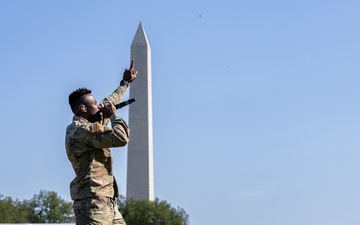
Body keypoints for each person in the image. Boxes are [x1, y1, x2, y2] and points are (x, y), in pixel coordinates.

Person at [65, 60, 138, 225]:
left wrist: (125, 84)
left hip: (107, 201)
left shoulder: (89, 123)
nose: (99, 107)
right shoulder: (82, 131)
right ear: (82, 109)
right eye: (95, 104)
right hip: (92, 204)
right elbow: (121, 137)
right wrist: (113, 116)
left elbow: (108, 102)